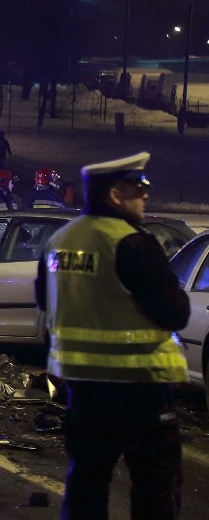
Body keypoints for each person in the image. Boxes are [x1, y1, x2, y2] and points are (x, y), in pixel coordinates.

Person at [34, 151, 190, 520]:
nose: (145, 195)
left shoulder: (60, 241)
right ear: (115, 195)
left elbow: (44, 298)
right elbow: (175, 313)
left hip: (83, 388)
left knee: (86, 482)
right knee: (155, 486)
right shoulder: (133, 242)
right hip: (142, 387)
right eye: (138, 187)